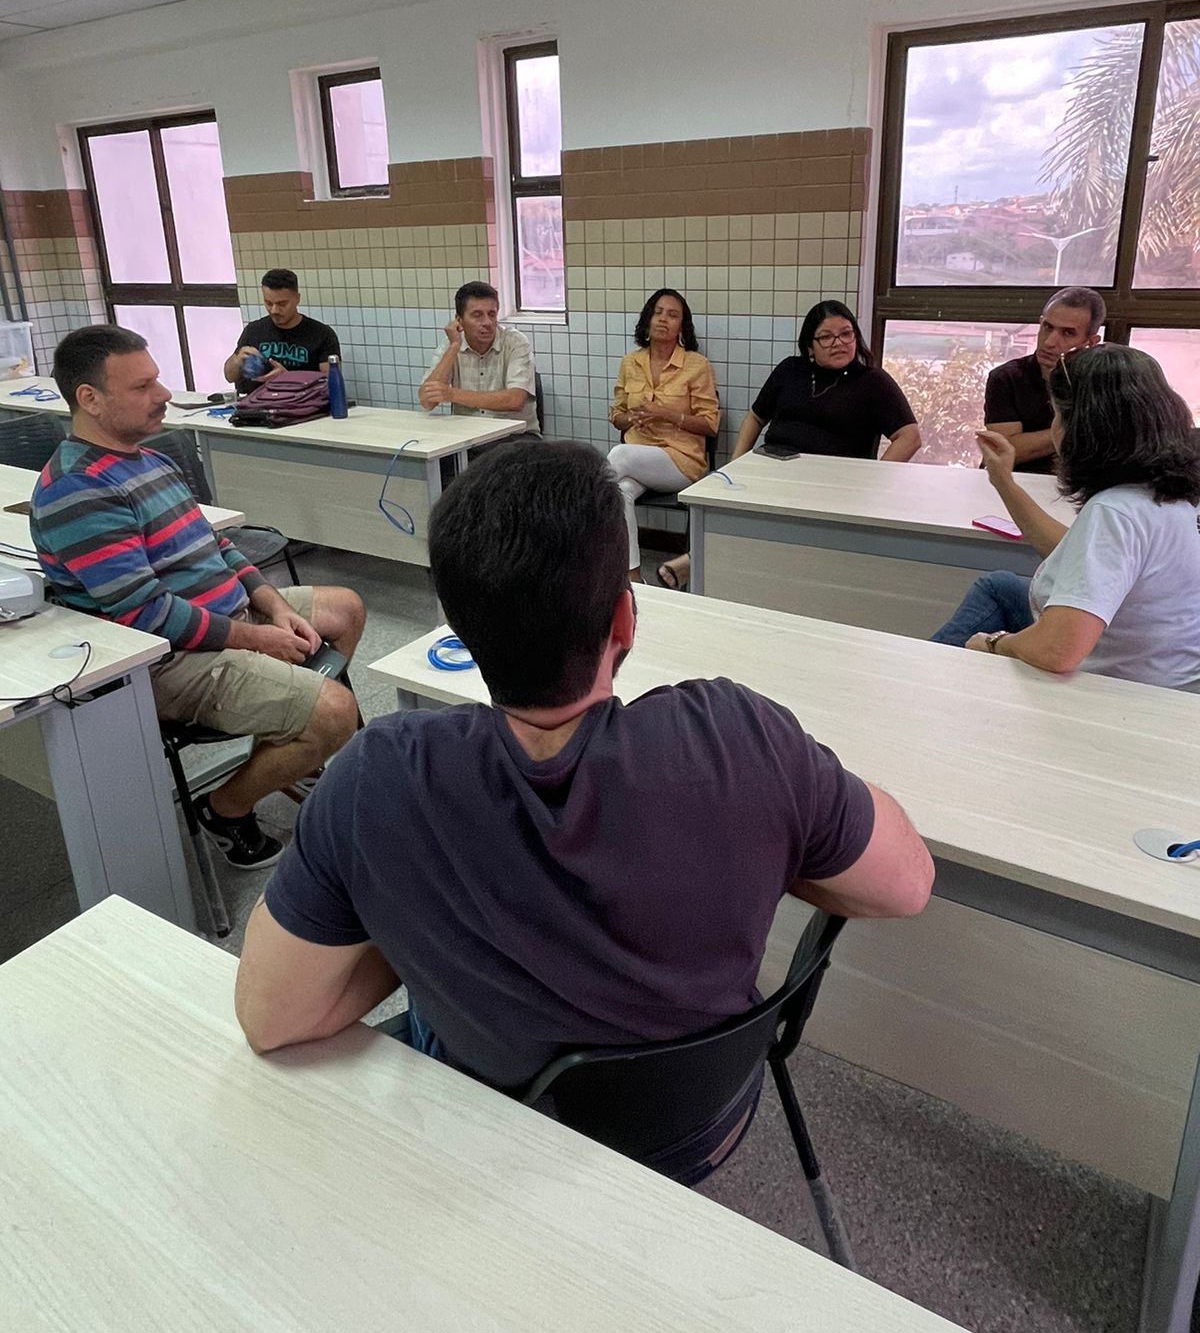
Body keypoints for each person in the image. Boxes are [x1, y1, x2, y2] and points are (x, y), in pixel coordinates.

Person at [234, 441, 933, 1183]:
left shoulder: (375, 781)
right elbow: (907, 884)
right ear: (624, 620)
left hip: (502, 1143)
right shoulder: (742, 739)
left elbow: (273, 1018)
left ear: (460, 633)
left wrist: (415, 914)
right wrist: (779, 834)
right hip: (705, 1126)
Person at [32, 326, 365, 869]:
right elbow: (147, 613)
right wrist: (258, 639)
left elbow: (218, 545)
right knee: (336, 712)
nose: (163, 394)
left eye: (156, 380)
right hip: (171, 659)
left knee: (344, 608)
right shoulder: (79, 489)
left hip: (226, 616)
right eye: (142, 386)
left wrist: (274, 605)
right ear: (89, 399)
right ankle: (225, 809)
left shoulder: (147, 459)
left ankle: (291, 751)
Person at [933, 344, 1200, 690]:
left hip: (1123, 688)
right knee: (1000, 586)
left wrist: (994, 643)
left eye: (1057, 415)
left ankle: (922, 687)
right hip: (1173, 673)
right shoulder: (1173, 493)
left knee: (993, 607)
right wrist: (1004, 482)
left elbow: (1058, 650)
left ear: (1084, 429)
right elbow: (1081, 555)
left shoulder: (1116, 510)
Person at [658, 299, 919, 589]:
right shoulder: (790, 370)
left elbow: (909, 436)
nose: (839, 343)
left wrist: (871, 480)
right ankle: (704, 564)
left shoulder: (873, 382)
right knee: (719, 502)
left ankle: (697, 561)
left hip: (832, 482)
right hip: (773, 465)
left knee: (772, 521)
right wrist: (735, 465)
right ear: (810, 346)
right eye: (826, 337)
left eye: (846, 334)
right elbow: (755, 417)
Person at [607, 289, 720, 581]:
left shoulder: (697, 365)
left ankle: (577, 519)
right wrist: (631, 418)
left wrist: (666, 414)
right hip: (640, 459)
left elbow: (710, 424)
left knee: (618, 456)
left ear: (682, 326)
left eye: (672, 315)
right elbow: (617, 415)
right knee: (619, 492)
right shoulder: (630, 363)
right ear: (647, 320)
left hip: (681, 461)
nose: (663, 319)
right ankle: (633, 576)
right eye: (657, 313)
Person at [983, 287, 1105, 474]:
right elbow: (1004, 450)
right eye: (1047, 327)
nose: (1049, 342)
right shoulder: (1008, 377)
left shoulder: (1101, 383)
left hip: (1077, 484)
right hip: (1014, 479)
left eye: (1068, 333)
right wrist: (1079, 430)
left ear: (1091, 342)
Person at [418, 279, 539, 434]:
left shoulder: (515, 342)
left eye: (492, 314)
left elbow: (515, 400)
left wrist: (452, 394)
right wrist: (454, 347)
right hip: (467, 436)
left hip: (514, 436)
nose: (487, 322)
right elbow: (427, 402)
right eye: (477, 315)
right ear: (459, 320)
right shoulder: (451, 345)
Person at [225, 268, 342, 392]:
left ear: (297, 299)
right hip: (255, 400)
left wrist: (287, 378)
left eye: (282, 304)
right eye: (269, 303)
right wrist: (237, 360)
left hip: (300, 401)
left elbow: (331, 385)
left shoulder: (322, 334)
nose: (274, 310)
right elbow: (229, 377)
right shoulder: (253, 330)